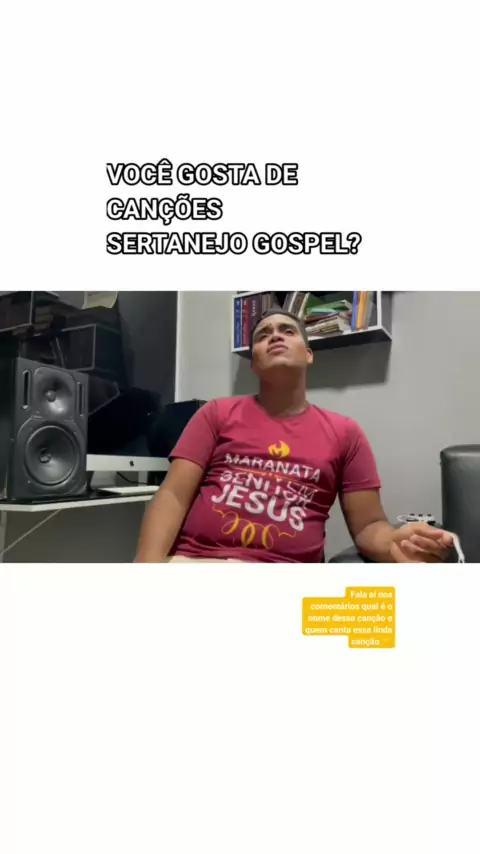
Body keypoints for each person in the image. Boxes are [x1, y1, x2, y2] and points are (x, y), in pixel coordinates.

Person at [135, 309, 453, 563]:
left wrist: (395, 543)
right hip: (197, 563)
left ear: (309, 354)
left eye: (287, 331)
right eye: (263, 335)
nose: (275, 335)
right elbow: (173, 495)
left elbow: (369, 526)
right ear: (253, 363)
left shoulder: (346, 433)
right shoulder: (216, 413)